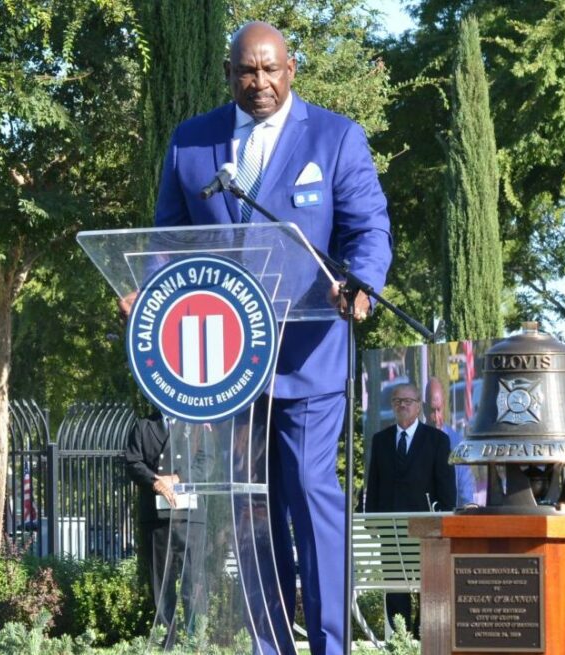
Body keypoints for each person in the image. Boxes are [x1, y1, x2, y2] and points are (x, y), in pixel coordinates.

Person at [146, 21, 393, 655]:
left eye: (271, 70)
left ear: (291, 71)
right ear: (228, 74)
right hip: (228, 368)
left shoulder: (336, 137)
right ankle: (271, 646)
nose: (260, 83)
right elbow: (166, 244)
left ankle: (331, 646)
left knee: (311, 498)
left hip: (309, 357)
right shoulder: (191, 145)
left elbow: (368, 230)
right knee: (252, 515)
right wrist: (145, 292)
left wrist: (360, 283)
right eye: (246, 72)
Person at [364, 383, 455, 637]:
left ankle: (423, 638)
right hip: (390, 527)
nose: (402, 405)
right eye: (396, 401)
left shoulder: (437, 440)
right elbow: (374, 483)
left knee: (428, 586)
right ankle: (401, 642)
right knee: (396, 589)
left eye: (407, 400)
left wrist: (444, 521)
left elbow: (446, 487)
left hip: (426, 526)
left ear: (419, 406)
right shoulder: (381, 440)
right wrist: (372, 521)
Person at [124, 412, 208, 644]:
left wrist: (177, 478)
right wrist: (155, 481)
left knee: (193, 583)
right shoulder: (143, 426)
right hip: (157, 518)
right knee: (161, 586)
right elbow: (133, 461)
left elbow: (206, 461)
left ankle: (196, 643)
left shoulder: (198, 423)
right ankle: (165, 644)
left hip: (191, 515)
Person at [425, 378, 476, 506]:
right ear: (424, 408)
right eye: (432, 411)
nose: (436, 418)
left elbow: (466, 492)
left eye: (439, 410)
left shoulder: (458, 444)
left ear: (444, 406)